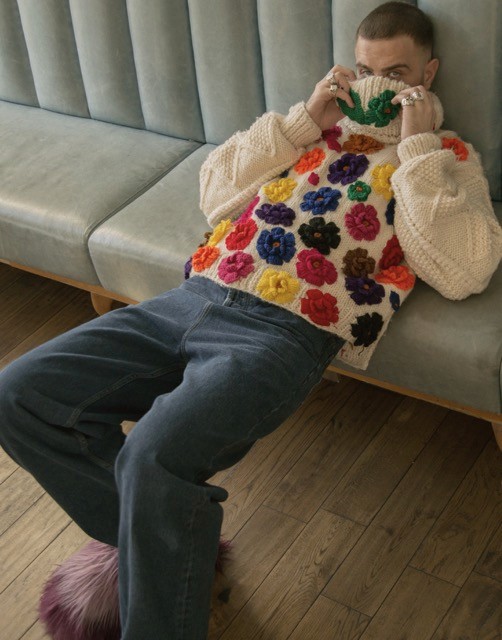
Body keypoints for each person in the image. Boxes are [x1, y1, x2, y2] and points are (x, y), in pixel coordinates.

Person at [0, 2, 500, 639]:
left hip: (283, 331)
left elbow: (464, 268)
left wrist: (418, 146)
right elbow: (214, 196)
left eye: (396, 74)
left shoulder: (446, 157)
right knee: (19, 396)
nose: (377, 86)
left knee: (153, 456)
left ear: (427, 74)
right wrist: (301, 122)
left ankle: (162, 557)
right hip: (193, 296)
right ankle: (167, 543)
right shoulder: (311, 133)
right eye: (365, 69)